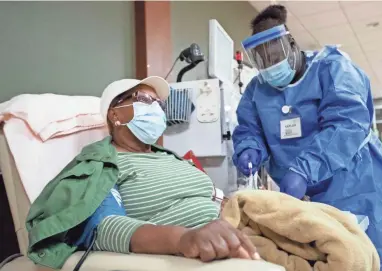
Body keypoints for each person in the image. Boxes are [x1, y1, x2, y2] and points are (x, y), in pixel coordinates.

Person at [26, 77, 259, 269]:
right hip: (211, 245)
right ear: (115, 115)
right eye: (145, 100)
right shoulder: (103, 164)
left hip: (243, 224)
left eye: (159, 104)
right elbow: (104, 228)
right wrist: (184, 238)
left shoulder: (171, 157)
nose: (157, 109)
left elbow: (212, 196)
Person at [232, 5, 382, 271]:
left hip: (356, 181)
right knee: (316, 256)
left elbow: (347, 124)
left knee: (366, 256)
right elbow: (250, 129)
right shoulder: (257, 89)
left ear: (292, 43)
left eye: (275, 56)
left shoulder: (334, 69)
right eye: (263, 61)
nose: (271, 66)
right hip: (300, 191)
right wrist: (249, 149)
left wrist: (303, 169)